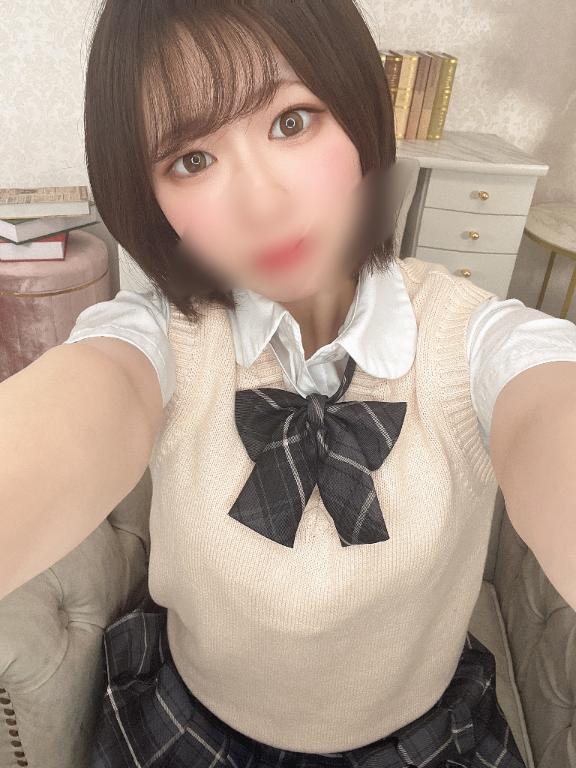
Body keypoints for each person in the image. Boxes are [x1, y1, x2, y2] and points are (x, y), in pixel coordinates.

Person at [2, 1, 576, 766]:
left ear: (359, 114)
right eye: (192, 161)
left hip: (422, 739)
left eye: (292, 121)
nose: (261, 201)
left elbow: (549, 408)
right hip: (192, 727)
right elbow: (84, 399)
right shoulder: (156, 337)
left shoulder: (474, 338)